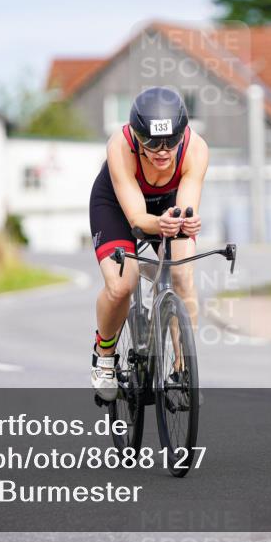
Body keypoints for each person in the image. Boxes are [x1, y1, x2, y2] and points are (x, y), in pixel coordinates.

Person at [88, 86, 209, 401]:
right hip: (119, 205)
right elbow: (138, 219)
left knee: (182, 275)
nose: (162, 150)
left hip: (168, 203)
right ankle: (104, 355)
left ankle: (182, 371)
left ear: (182, 134)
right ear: (136, 136)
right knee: (121, 285)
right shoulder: (120, 146)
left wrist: (187, 221)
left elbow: (185, 207)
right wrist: (163, 223)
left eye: (170, 141)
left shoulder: (195, 149)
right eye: (151, 142)